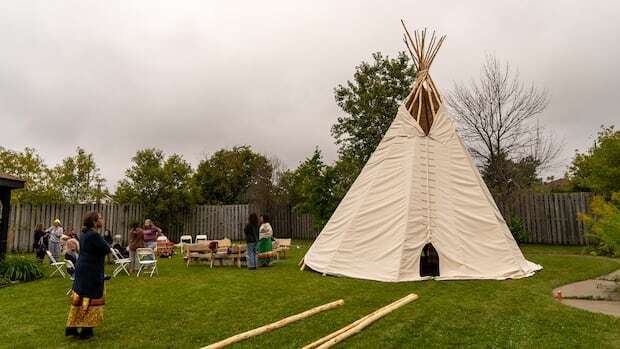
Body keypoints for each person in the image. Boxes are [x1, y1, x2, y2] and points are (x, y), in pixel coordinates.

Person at [66, 211, 109, 340]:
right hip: (91, 271)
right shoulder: (94, 235)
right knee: (90, 299)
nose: (102, 220)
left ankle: (72, 328)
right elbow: (107, 248)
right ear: (95, 222)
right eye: (100, 218)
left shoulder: (84, 234)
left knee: (79, 297)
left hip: (82, 269)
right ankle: (86, 332)